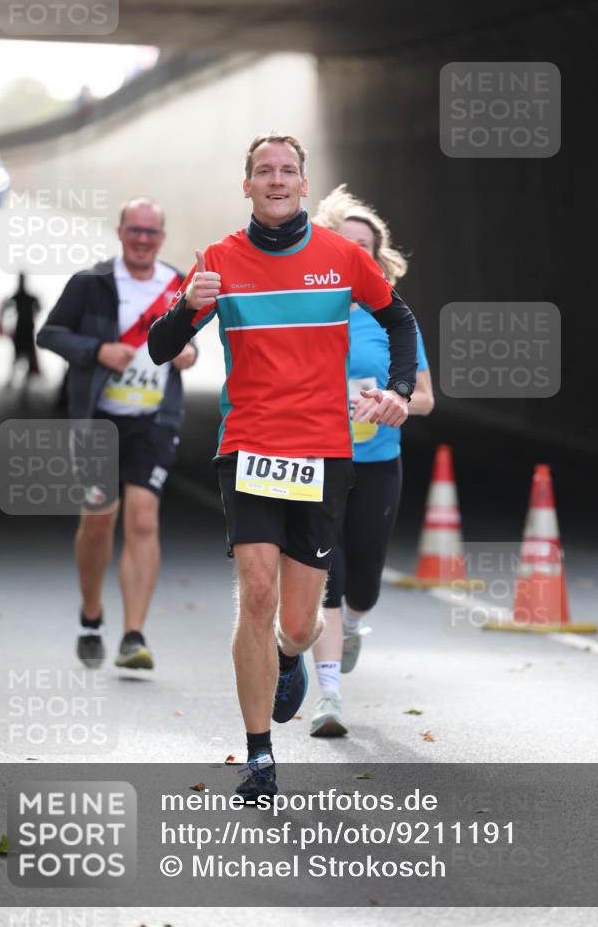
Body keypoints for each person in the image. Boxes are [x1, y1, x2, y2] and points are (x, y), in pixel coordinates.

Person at [148, 134, 418, 800]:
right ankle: (259, 755)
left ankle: (289, 654)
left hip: (322, 452)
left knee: (297, 622)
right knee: (257, 592)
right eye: (263, 171)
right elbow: (159, 347)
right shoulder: (218, 261)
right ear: (246, 185)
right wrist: (187, 307)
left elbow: (400, 320)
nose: (276, 179)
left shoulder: (342, 257)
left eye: (287, 170)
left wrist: (398, 391)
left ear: (303, 184)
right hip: (248, 448)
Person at [37, 198, 198, 670]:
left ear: (162, 237)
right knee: (98, 519)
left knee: (143, 519)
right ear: (120, 232)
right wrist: (98, 350)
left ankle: (133, 635)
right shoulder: (92, 283)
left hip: (154, 421)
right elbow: (50, 334)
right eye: (135, 230)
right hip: (98, 420)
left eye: (151, 231)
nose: (143, 239)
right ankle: (91, 616)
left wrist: (188, 355)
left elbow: (190, 343)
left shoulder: (177, 284)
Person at [309, 185, 434, 737]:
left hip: (378, 462)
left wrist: (393, 400)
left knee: (363, 584)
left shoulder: (393, 318)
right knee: (325, 578)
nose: (353, 253)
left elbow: (425, 398)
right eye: (344, 243)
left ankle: (355, 624)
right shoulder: (307, 311)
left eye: (363, 247)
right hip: (318, 462)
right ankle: (328, 697)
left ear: (375, 259)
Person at [0, 273, 41, 388]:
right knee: (18, 357)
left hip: (26, 330)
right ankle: (17, 381)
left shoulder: (24, 297)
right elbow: (5, 308)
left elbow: (38, 307)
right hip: (22, 330)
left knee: (24, 357)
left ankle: (22, 383)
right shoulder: (20, 297)